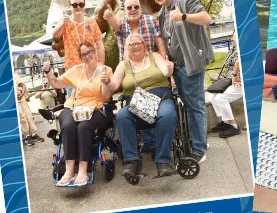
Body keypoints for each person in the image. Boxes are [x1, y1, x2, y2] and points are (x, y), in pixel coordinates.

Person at [151, 0, 213, 164]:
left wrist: (183, 17)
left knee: (195, 106)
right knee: (190, 105)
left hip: (190, 63)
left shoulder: (185, 2)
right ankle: (201, 141)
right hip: (177, 66)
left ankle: (199, 150)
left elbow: (206, 18)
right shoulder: (163, 13)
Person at [101, 32, 178, 179]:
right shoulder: (123, 65)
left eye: (138, 43)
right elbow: (114, 85)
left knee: (167, 115)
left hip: (161, 98)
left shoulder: (154, 56)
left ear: (144, 45)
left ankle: (163, 162)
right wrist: (106, 81)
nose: (135, 46)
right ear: (127, 48)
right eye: (132, 44)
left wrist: (169, 68)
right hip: (136, 103)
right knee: (122, 116)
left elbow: (165, 71)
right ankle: (131, 161)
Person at [43, 41, 113, 187]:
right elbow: (56, 83)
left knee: (84, 127)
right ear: (80, 57)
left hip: (96, 108)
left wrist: (106, 82)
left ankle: (82, 171)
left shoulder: (106, 70)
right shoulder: (77, 70)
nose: (87, 56)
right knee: (68, 126)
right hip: (73, 106)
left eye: (89, 52)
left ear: (94, 51)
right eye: (83, 54)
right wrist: (48, 72)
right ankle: (69, 171)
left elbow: (107, 97)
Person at [52, 0, 105, 73]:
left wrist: (101, 64)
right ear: (70, 6)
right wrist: (61, 23)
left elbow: (100, 45)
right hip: (72, 69)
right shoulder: (65, 23)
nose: (78, 7)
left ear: (84, 6)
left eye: (81, 4)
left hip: (91, 67)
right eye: (75, 5)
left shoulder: (92, 22)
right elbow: (55, 36)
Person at [103, 0, 167, 61]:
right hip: (129, 66)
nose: (133, 9)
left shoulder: (150, 19)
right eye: (129, 8)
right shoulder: (121, 24)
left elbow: (159, 41)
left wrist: (165, 59)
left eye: (136, 7)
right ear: (125, 11)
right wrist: (110, 17)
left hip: (149, 64)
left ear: (140, 9)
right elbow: (115, 24)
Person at [210, 41, 244, 138]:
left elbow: (239, 63)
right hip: (229, 80)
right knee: (212, 96)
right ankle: (226, 122)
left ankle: (233, 126)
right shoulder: (234, 48)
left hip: (240, 82)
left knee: (221, 98)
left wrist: (234, 75)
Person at [16, 77, 44, 146]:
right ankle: (27, 136)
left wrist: (22, 94)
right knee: (22, 117)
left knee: (29, 115)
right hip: (13, 99)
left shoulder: (14, 75)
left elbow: (22, 85)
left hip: (21, 97)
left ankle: (33, 134)